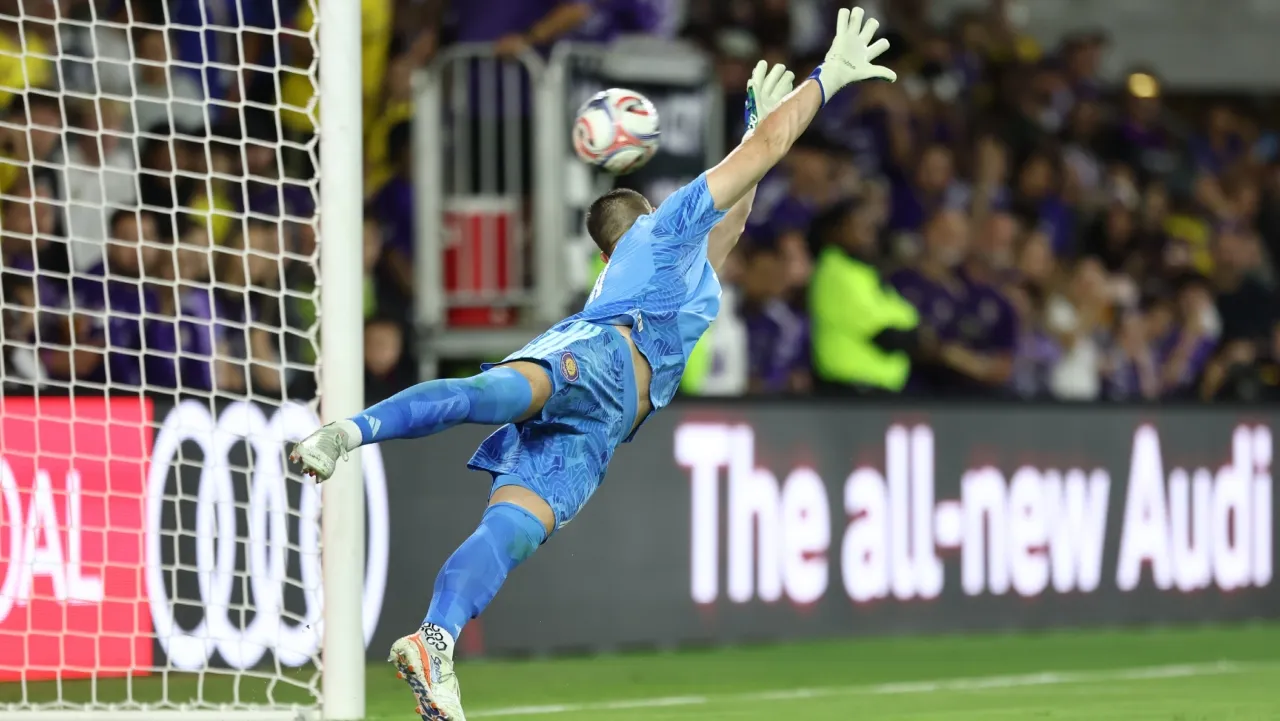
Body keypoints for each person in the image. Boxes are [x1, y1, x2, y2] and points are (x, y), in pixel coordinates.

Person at [290, 7, 895, 720]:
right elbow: (763, 152)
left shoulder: (676, 266)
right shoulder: (666, 226)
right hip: (604, 361)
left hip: (600, 424)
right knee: (488, 403)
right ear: (643, 220)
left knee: (505, 523)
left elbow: (733, 219)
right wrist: (825, 80)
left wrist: (752, 140)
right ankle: (346, 433)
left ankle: (435, 638)